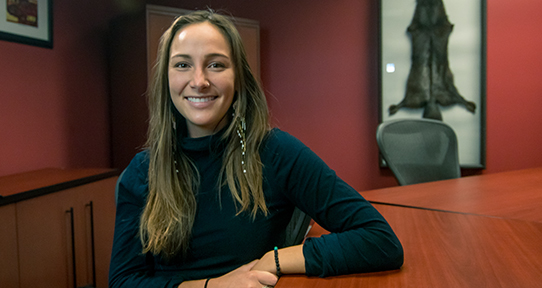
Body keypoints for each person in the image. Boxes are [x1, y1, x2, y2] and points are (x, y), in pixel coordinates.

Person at [109, 10, 403, 288]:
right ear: (167, 79)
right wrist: (213, 285)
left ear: (238, 79)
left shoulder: (275, 151)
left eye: (216, 64)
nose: (199, 81)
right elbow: (124, 281)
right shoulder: (142, 171)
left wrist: (274, 259)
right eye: (183, 64)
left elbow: (379, 240)